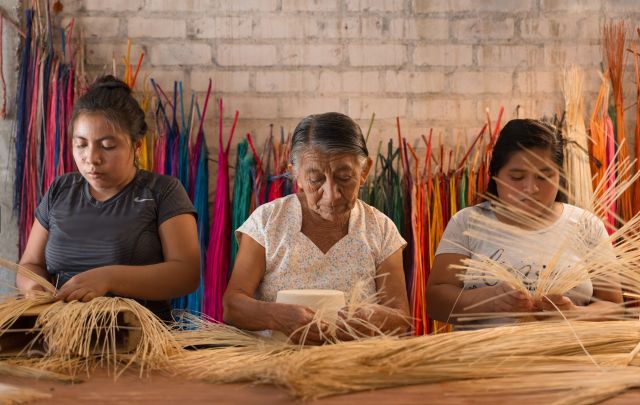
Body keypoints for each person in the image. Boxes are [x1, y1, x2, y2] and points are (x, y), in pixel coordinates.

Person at [16, 75, 200, 321]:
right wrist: (35, 289)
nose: (92, 158)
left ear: (136, 146)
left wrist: (109, 278)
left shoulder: (162, 192)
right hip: (61, 334)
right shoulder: (61, 189)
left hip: (139, 341)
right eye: (81, 145)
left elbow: (186, 274)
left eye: (107, 146)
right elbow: (29, 264)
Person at [223, 112, 410, 344]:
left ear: (364, 172)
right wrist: (275, 315)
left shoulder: (380, 229)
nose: (331, 195)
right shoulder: (268, 221)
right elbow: (232, 306)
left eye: (344, 177)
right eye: (315, 179)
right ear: (295, 174)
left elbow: (401, 316)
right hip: (276, 366)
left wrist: (371, 319)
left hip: (356, 367)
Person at [426, 118, 623, 328]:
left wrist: (575, 315)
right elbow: (435, 303)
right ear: (495, 176)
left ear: (560, 177)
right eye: (517, 177)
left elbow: (613, 307)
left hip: (567, 358)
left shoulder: (586, 226)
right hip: (484, 358)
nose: (531, 188)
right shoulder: (467, 223)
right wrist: (488, 299)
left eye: (544, 177)